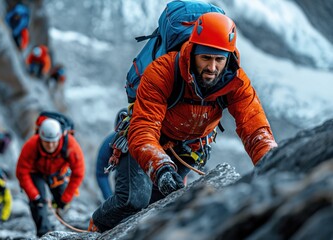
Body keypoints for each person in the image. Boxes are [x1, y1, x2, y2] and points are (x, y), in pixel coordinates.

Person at [89, 12, 277, 232]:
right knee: (133, 200)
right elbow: (144, 129)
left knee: (159, 209)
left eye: (219, 59)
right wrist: (160, 168)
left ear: (230, 56)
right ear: (193, 51)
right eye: (206, 57)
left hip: (188, 148)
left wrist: (273, 162)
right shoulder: (163, 72)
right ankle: (96, 227)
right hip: (147, 142)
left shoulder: (236, 81)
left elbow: (255, 128)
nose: (213, 67)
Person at [16, 118, 85, 237]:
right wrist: (35, 196)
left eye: (54, 141)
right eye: (47, 141)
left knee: (62, 201)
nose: (51, 145)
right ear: (40, 138)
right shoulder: (31, 145)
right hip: (36, 172)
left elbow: (78, 172)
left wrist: (66, 198)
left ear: (60, 137)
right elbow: (22, 172)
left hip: (58, 173)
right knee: (38, 203)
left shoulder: (71, 145)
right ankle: (44, 233)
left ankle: (58, 211)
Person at [96, 108, 128, 200]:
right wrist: (109, 198)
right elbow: (101, 174)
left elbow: (101, 175)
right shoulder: (108, 145)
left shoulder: (108, 144)